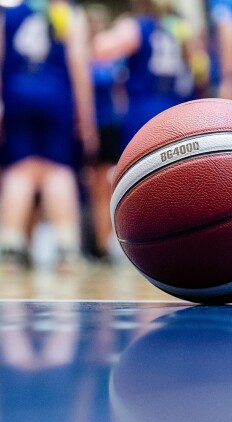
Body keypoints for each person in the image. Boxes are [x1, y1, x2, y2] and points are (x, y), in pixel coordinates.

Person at [0, 0, 97, 271]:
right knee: (58, 171)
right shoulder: (68, 12)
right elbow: (78, 64)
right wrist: (87, 119)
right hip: (56, 99)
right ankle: (66, 250)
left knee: (19, 171)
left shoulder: (10, 13)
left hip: (17, 97)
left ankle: (10, 249)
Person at [93, 0, 193, 147]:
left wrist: (119, 24)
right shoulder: (179, 27)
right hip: (177, 109)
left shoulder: (138, 26)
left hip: (145, 110)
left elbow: (99, 48)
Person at [85, 3, 126, 263]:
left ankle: (107, 246)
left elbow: (121, 92)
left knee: (108, 185)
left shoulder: (114, 57)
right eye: (93, 23)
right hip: (91, 124)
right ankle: (99, 245)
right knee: (96, 187)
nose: (97, 27)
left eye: (101, 23)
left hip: (111, 124)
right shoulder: (81, 55)